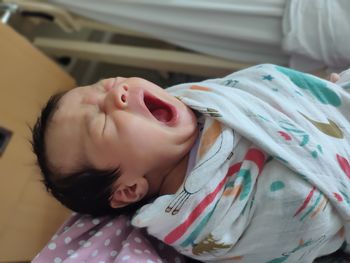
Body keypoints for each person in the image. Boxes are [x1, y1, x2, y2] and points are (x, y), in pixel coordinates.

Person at [32, 64, 350, 262]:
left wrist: (313, 95)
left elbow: (260, 86)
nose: (119, 92)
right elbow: (304, 220)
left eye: (106, 83)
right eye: (101, 121)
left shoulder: (191, 99)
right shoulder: (203, 219)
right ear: (128, 190)